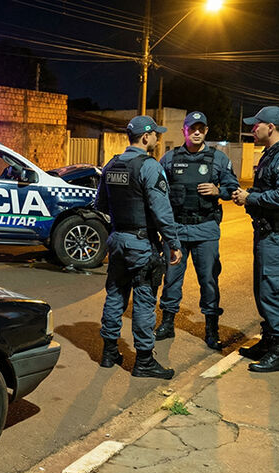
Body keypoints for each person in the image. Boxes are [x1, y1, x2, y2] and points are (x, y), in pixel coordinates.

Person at [96, 115, 183, 379]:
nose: (157, 138)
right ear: (146, 137)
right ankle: (144, 361)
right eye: (156, 134)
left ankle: (109, 352)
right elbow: (161, 210)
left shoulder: (111, 165)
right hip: (141, 244)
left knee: (115, 295)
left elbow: (100, 205)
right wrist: (173, 243)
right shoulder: (149, 166)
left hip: (117, 241)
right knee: (144, 300)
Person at [155, 112, 240, 350]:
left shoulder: (219, 159)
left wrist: (218, 191)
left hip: (206, 230)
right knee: (171, 279)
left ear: (206, 130)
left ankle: (211, 328)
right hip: (177, 230)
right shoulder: (169, 159)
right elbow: (158, 193)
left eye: (201, 128)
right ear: (184, 130)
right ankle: (167, 323)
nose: (197, 132)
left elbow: (233, 189)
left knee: (209, 281)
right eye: (193, 128)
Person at [232, 106, 279, 373]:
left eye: (257, 125)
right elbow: (270, 190)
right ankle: (268, 341)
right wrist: (249, 194)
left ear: (270, 128)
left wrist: (250, 198)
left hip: (278, 235)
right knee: (264, 290)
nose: (253, 129)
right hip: (267, 233)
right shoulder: (272, 154)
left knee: (274, 291)